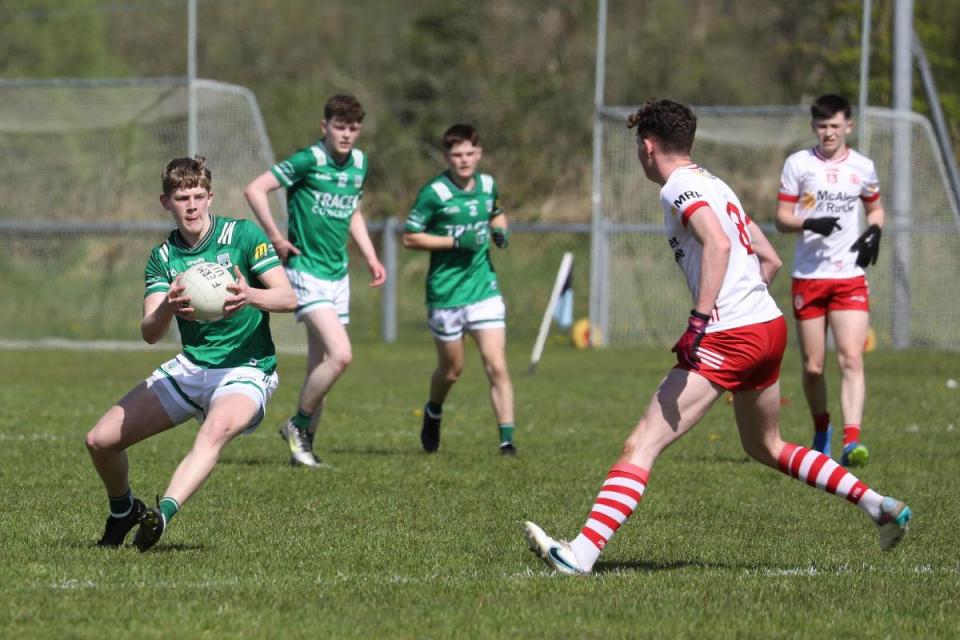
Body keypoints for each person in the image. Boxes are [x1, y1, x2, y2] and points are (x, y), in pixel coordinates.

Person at [523, 99, 910, 575]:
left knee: (641, 443)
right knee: (765, 446)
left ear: (648, 146)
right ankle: (877, 505)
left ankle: (579, 555)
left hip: (728, 335)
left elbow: (720, 243)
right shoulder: (714, 183)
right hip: (766, 327)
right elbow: (768, 259)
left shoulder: (678, 188)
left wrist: (702, 320)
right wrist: (740, 307)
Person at [86, 156, 296, 551]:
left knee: (213, 430)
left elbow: (288, 297)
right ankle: (123, 511)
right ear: (166, 202)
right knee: (100, 441)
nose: (193, 205)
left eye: (199, 196)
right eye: (183, 197)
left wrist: (250, 295)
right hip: (191, 367)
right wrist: (168, 304)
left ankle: (161, 514)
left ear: (211, 197)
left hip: (247, 369)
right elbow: (150, 332)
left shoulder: (243, 235)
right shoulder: (163, 258)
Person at [244, 95, 386, 467]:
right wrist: (275, 237)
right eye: (340, 126)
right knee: (341, 355)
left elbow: (352, 210)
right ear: (324, 127)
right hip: (305, 273)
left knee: (319, 365)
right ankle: (298, 424)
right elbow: (255, 189)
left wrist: (370, 256)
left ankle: (302, 449)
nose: (347, 134)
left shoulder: (359, 163)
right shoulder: (309, 159)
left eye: (353, 128)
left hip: (338, 276)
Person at [775, 94, 885, 467]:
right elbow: (780, 217)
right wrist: (808, 222)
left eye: (835, 126)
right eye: (822, 126)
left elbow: (876, 207)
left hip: (850, 276)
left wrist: (874, 232)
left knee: (852, 357)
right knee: (813, 367)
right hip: (809, 277)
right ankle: (821, 428)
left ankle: (851, 441)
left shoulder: (863, 167)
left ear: (848, 126)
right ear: (814, 128)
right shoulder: (798, 164)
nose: (828, 133)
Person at [402, 124, 517, 455]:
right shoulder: (433, 193)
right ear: (446, 156)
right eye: (457, 155)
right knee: (452, 371)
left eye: (470, 153)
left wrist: (501, 232)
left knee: (496, 364)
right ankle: (433, 410)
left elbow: (497, 214)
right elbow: (410, 237)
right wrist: (454, 240)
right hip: (446, 294)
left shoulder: (488, 184)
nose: (464, 160)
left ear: (478, 154)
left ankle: (507, 441)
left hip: (484, 290)